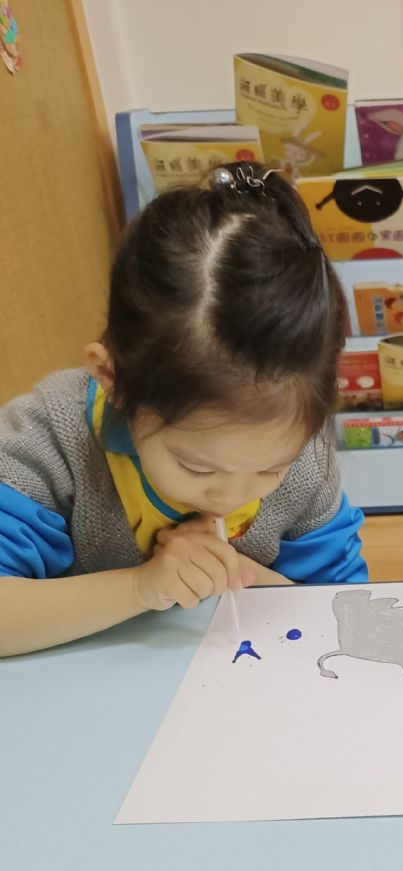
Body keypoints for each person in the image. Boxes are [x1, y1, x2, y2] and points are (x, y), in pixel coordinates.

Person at [0, 163, 366, 657]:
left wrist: (249, 577)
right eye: (197, 467)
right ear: (113, 380)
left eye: (270, 470)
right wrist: (142, 587)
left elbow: (345, 608)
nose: (230, 497)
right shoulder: (49, 441)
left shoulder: (302, 455)